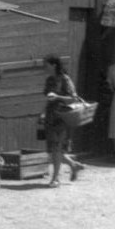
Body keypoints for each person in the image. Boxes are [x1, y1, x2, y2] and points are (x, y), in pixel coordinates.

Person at [42, 54, 86, 187]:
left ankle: (55, 179)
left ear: (54, 65)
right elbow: (48, 100)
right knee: (53, 149)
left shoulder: (65, 79)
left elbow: (74, 98)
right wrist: (42, 113)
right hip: (51, 116)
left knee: (56, 148)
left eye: (46, 64)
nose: (44, 66)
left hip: (62, 117)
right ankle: (73, 165)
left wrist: (57, 96)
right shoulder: (49, 79)